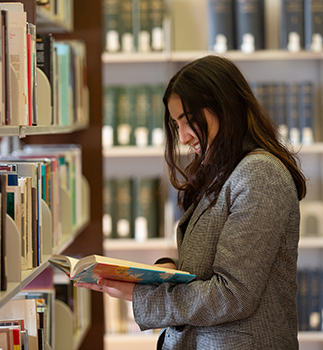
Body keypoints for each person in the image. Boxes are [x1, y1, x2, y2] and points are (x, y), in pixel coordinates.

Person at [75, 55, 306, 349]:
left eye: (188, 120)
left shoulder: (259, 173)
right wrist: (168, 270)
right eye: (176, 124)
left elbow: (233, 294)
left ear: (223, 105)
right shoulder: (224, 171)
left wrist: (139, 295)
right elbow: (211, 268)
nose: (183, 136)